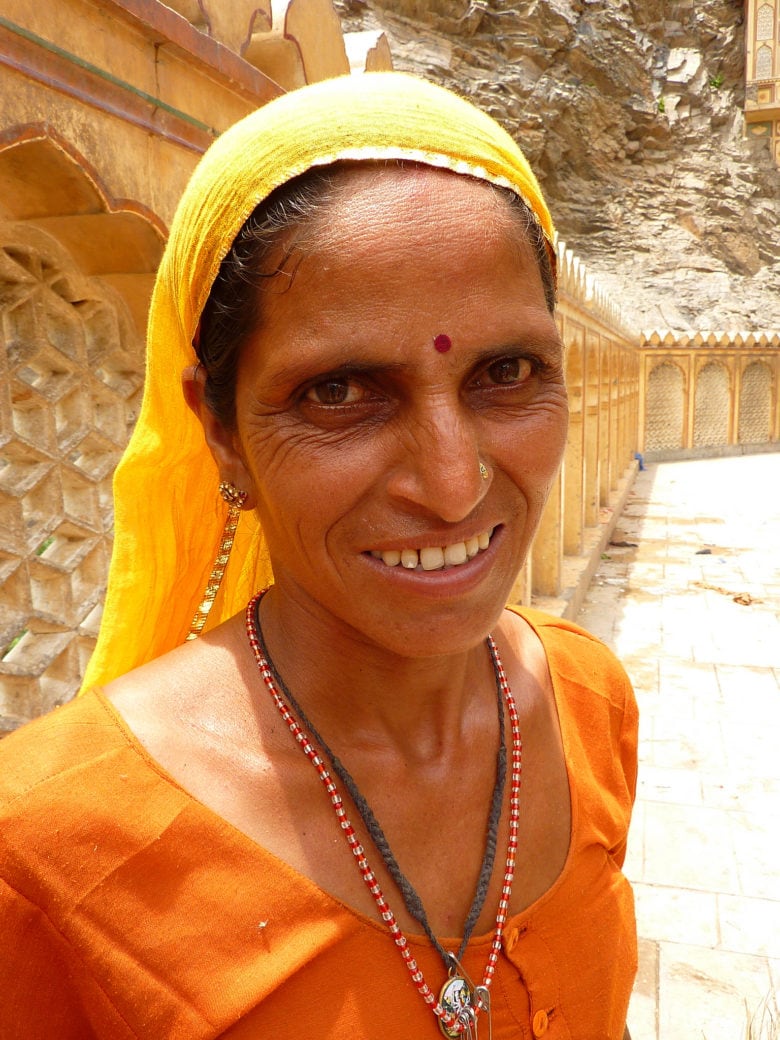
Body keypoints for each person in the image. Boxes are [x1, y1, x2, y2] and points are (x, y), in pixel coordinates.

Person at [0, 72, 637, 1039]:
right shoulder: (50, 851)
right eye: (340, 393)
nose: (453, 483)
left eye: (506, 375)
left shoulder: (588, 703)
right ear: (218, 429)